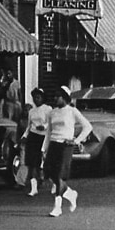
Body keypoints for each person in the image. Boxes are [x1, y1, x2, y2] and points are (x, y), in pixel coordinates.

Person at [41, 86, 93, 217]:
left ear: (64, 97)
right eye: (54, 96)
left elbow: (87, 126)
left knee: (59, 176)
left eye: (57, 96)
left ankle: (57, 207)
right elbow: (48, 132)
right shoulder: (52, 113)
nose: (55, 98)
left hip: (65, 146)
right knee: (50, 174)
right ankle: (70, 194)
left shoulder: (72, 111)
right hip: (53, 144)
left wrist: (76, 141)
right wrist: (43, 149)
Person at [22, 88, 52, 197]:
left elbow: (51, 123)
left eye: (38, 97)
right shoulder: (31, 111)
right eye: (34, 97)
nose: (36, 99)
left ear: (42, 98)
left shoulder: (48, 109)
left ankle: (51, 181)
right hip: (33, 136)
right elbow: (29, 126)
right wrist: (24, 136)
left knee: (43, 161)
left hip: (43, 136)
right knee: (32, 162)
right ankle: (33, 188)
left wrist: (44, 126)